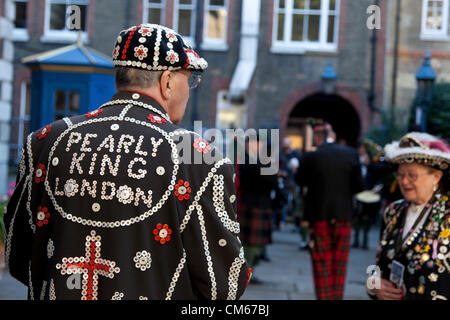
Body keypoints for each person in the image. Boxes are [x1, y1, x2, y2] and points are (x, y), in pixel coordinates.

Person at [3, 24, 250, 300]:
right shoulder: (200, 157)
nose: (189, 90)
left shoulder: (44, 141)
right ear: (167, 81)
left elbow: (18, 256)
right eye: (188, 80)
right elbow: (223, 284)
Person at [368, 132, 450, 300]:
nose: (404, 182)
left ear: (436, 176)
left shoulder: (447, 214)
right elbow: (377, 263)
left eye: (412, 175)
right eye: (400, 174)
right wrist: (372, 284)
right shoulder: (393, 211)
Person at [296, 122, 364, 300]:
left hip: (319, 215)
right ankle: (337, 296)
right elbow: (359, 187)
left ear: (318, 138)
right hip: (344, 215)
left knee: (321, 262)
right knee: (340, 264)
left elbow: (300, 181)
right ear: (333, 135)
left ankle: (324, 296)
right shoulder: (351, 154)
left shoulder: (311, 157)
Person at [238, 136, 277, 284]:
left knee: (252, 244)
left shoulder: (252, 161)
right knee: (250, 245)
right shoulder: (253, 162)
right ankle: (247, 272)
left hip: (255, 204)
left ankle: (248, 270)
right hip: (255, 205)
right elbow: (271, 181)